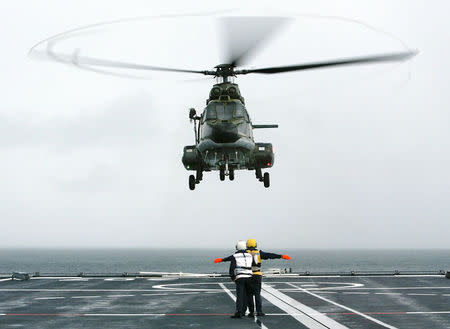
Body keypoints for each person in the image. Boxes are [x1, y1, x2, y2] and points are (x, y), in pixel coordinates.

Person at [245, 238, 291, 317]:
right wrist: (281, 256)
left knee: (249, 294)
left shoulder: (244, 253)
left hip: (248, 275)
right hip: (257, 275)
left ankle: (251, 312)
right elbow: (270, 255)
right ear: (255, 244)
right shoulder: (259, 253)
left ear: (247, 245)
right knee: (257, 294)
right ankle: (259, 311)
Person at [214, 240, 253, 319]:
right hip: (249, 277)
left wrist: (233, 277)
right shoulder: (250, 255)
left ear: (238, 247)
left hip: (240, 277)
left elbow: (231, 264)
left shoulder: (235, 256)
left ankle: (239, 312)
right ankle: (251, 311)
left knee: (240, 295)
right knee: (249, 295)